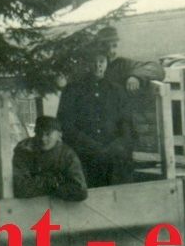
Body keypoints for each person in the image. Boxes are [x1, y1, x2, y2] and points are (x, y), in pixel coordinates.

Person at [57, 47, 136, 188]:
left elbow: (126, 124)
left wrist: (116, 146)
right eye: (93, 61)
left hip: (113, 155)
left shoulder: (117, 90)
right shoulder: (72, 90)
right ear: (86, 63)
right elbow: (66, 125)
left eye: (101, 61)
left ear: (106, 63)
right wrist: (92, 146)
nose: (97, 65)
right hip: (85, 154)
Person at [12, 116, 89, 202]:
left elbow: (80, 191)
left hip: (61, 209)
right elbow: (20, 189)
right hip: (28, 207)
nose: (43, 138)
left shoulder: (67, 155)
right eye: (39, 133)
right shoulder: (24, 151)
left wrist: (47, 187)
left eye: (48, 134)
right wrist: (53, 182)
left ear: (59, 135)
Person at [95, 25, 164, 94]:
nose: (111, 51)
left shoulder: (122, 64)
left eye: (114, 46)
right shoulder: (91, 63)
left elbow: (155, 68)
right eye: (105, 46)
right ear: (98, 47)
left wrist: (136, 77)